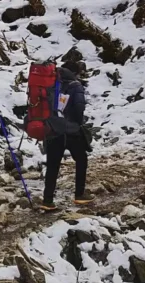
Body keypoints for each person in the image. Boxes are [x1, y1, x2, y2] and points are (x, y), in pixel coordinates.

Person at [40, 60, 94, 211]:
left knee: (52, 165)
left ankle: (47, 200)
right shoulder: (75, 86)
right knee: (81, 159)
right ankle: (79, 195)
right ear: (75, 72)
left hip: (51, 129)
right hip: (70, 131)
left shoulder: (50, 83)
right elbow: (79, 107)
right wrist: (77, 123)